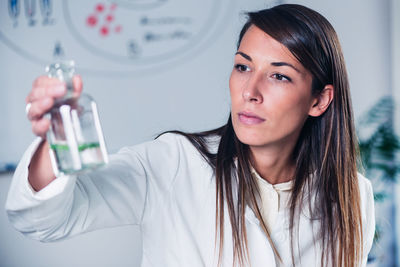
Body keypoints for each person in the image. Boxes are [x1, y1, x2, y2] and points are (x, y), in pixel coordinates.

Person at [6, 4, 375, 267]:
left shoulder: (352, 196)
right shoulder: (174, 163)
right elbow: (44, 219)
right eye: (242, 66)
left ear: (319, 100)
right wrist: (56, 138)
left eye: (279, 75)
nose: (250, 90)